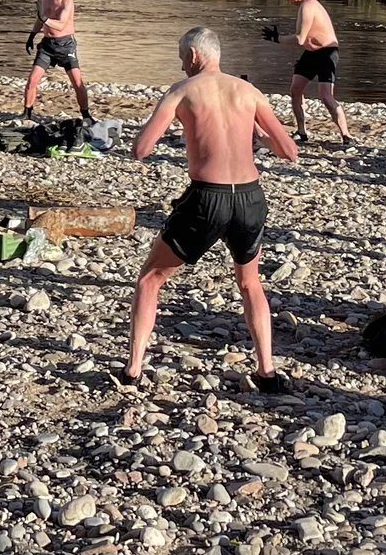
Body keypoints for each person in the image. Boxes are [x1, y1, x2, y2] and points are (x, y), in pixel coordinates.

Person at [125, 27, 299, 392]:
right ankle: (266, 371)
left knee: (150, 279)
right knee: (250, 282)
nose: (180, 63)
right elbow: (289, 151)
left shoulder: (182, 90)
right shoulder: (249, 92)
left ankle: (134, 369)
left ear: (193, 56)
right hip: (250, 198)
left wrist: (181, 127)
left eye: (180, 57)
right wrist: (255, 134)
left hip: (207, 198)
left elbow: (141, 149)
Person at [280, 0, 351, 143]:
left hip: (327, 53)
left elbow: (300, 39)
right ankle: (301, 131)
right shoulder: (303, 5)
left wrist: (277, 38)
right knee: (295, 89)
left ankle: (346, 135)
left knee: (326, 96)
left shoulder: (308, 6)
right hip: (311, 53)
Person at [21, 0, 89, 118]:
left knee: (77, 83)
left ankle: (86, 114)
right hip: (47, 45)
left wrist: (44, 18)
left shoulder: (67, 1)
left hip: (65, 45)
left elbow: (60, 25)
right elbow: (40, 20)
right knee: (32, 80)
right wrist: (31, 36)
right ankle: (27, 112)